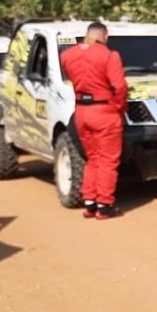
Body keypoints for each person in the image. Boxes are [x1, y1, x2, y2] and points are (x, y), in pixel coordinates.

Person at [59, 21, 128, 219]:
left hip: (81, 111)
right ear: (105, 36)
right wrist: (119, 108)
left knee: (93, 159)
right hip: (104, 111)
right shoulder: (109, 55)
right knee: (107, 160)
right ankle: (104, 205)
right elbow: (120, 87)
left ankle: (90, 202)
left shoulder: (67, 55)